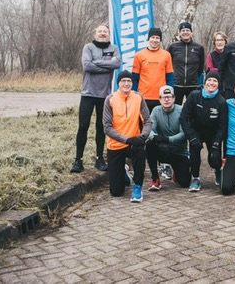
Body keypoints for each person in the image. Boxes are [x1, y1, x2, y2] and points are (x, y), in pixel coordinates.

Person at [71, 24, 121, 173]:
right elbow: (87, 66)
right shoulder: (88, 47)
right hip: (88, 94)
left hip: (105, 95)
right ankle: (78, 160)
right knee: (83, 126)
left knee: (101, 127)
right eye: (100, 31)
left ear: (109, 34)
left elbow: (117, 63)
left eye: (105, 31)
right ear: (95, 34)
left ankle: (99, 159)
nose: (102, 33)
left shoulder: (114, 48)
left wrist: (96, 62)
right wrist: (107, 66)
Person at [103, 70, 152, 203]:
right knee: (116, 192)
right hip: (116, 144)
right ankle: (123, 173)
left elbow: (148, 121)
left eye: (129, 81)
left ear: (132, 83)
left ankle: (138, 186)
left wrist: (142, 136)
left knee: (140, 151)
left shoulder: (138, 97)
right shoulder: (110, 99)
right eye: (123, 81)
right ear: (118, 83)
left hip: (134, 142)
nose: (126, 83)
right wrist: (126, 139)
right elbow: (107, 127)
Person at [180, 71, 228, 190]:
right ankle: (196, 178)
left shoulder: (221, 102)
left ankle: (218, 170)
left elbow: (223, 126)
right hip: (196, 131)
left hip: (213, 133)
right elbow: (183, 118)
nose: (211, 83)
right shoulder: (194, 96)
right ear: (205, 82)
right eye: (209, 80)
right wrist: (191, 136)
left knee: (214, 159)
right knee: (194, 153)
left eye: (215, 81)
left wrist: (217, 142)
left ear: (218, 84)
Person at [144, 86, 191, 191]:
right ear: (160, 99)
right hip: (162, 148)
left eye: (169, 97)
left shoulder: (181, 110)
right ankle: (155, 178)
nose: (166, 100)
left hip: (179, 151)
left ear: (174, 98)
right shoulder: (156, 110)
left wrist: (168, 139)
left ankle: (176, 171)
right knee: (149, 144)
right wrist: (155, 137)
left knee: (185, 183)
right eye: (163, 97)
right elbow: (150, 129)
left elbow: (184, 134)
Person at [132, 27, 174, 112]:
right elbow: (135, 78)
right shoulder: (139, 55)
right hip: (143, 96)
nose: (155, 40)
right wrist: (134, 94)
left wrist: (169, 94)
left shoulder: (166, 55)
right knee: (144, 120)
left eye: (157, 38)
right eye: (152, 37)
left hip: (161, 97)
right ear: (149, 38)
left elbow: (170, 77)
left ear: (160, 40)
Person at [168, 21, 205, 105]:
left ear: (191, 33)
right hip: (177, 85)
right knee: (175, 108)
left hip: (193, 85)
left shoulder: (199, 48)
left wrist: (193, 77)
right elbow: (168, 64)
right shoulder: (173, 47)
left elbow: (201, 66)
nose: (185, 32)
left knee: (193, 109)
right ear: (179, 33)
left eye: (187, 30)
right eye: (183, 30)